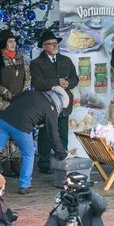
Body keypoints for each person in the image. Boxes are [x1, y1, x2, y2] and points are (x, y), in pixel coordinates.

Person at [0, 88, 68, 194]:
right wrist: (62, 154)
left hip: (4, 119)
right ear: (60, 101)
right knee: (28, 153)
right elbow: (53, 136)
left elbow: (15, 98)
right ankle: (25, 185)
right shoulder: (52, 109)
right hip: (22, 126)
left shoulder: (32, 93)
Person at [31, 31, 78, 174]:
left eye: (55, 43)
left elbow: (75, 79)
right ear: (44, 46)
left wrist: (67, 83)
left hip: (64, 103)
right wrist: (57, 82)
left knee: (63, 132)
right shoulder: (36, 63)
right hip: (47, 104)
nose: (54, 46)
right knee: (45, 133)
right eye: (51, 44)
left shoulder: (66, 60)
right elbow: (37, 83)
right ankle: (44, 162)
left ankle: (61, 160)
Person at [0, 29, 31, 177]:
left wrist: (22, 93)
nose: (13, 44)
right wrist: (7, 93)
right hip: (2, 103)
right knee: (4, 133)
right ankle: (5, 162)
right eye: (10, 41)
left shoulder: (21, 58)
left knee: (17, 131)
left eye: (14, 41)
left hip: (18, 102)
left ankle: (16, 161)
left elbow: (28, 78)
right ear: (4, 43)